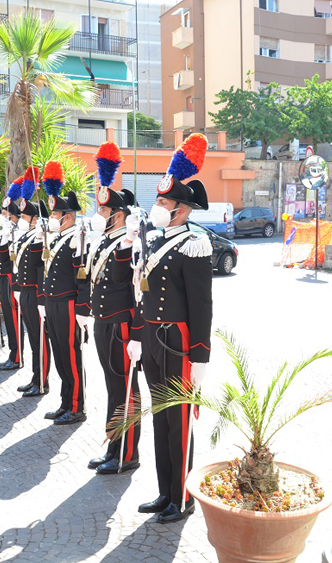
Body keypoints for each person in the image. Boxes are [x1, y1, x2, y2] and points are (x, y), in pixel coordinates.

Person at [127, 133, 213, 522]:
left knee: (178, 420)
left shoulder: (195, 243)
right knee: (161, 418)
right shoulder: (154, 239)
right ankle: (165, 492)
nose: (155, 207)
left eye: (162, 202)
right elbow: (139, 290)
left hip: (178, 341)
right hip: (152, 339)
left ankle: (183, 496)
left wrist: (200, 357)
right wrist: (138, 336)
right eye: (158, 201)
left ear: (180, 208)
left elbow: (202, 306)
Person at [85, 142, 142, 475]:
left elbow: (136, 290)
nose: (100, 214)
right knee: (112, 387)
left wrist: (137, 334)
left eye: (104, 211)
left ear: (118, 214)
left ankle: (127, 453)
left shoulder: (129, 240)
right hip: (103, 323)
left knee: (125, 388)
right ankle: (113, 445)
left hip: (122, 325)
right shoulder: (104, 240)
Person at [41, 161, 90, 426]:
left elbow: (82, 278)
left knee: (71, 356)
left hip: (69, 305)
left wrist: (83, 310)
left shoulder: (77, 238)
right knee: (60, 353)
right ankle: (65, 401)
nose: (52, 217)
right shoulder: (58, 238)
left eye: (56, 214)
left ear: (67, 216)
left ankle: (77, 406)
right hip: (54, 303)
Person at [14, 192, 51, 397]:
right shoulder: (26, 236)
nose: (20, 219)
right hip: (26, 291)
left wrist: (41, 298)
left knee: (40, 339)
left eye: (24, 216)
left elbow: (41, 269)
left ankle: (42, 380)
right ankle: (35, 377)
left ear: (35, 219)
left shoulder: (41, 237)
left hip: (36, 293)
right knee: (32, 338)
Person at [0, 196, 22, 370]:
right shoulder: (5, 231)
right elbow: (0, 252)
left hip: (11, 278)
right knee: (8, 319)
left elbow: (8, 256)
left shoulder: (17, 232)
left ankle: (17, 356)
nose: (2, 217)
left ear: (13, 217)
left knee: (13, 319)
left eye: (5, 214)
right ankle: (12, 354)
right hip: (4, 276)